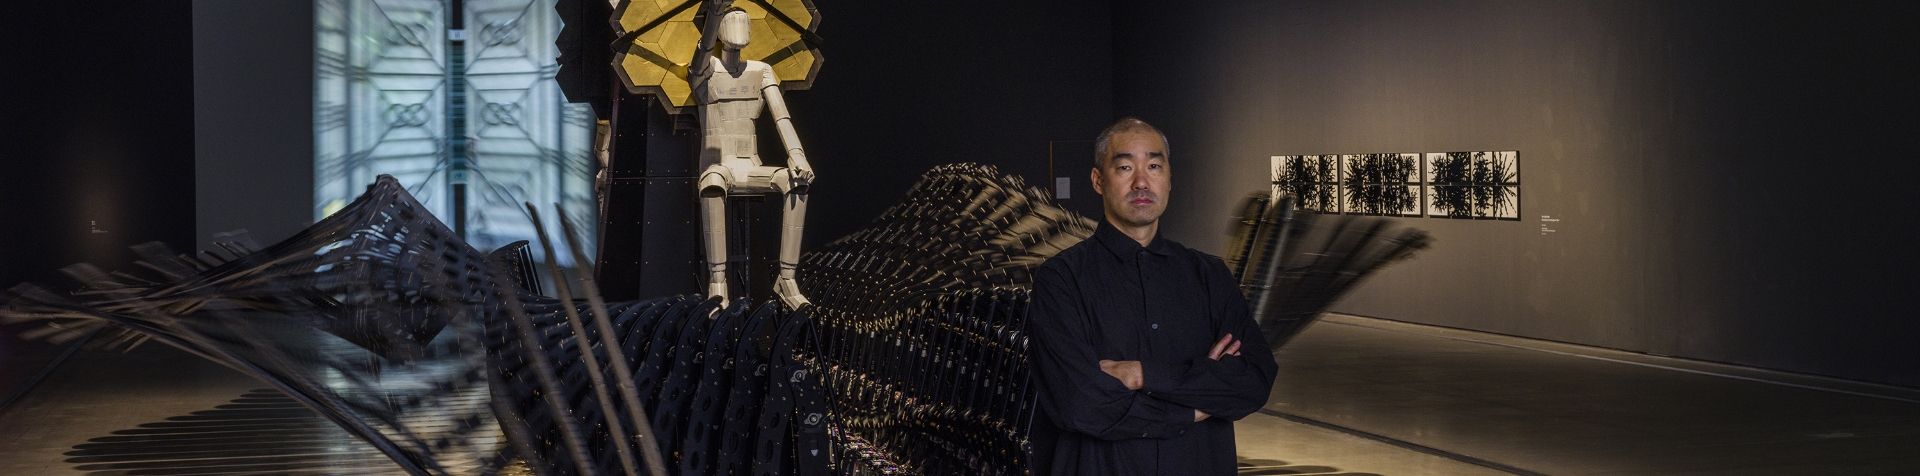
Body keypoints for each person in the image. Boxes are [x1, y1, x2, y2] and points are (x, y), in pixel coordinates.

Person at [1029, 117, 1278, 475]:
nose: (1141, 182)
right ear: (1099, 180)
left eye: (1155, 166)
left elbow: (1253, 381)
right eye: (1126, 167)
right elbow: (1080, 403)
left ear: (1169, 179)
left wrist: (1143, 374)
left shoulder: (1210, 276)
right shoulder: (1061, 280)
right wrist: (1195, 404)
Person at [690, 0, 814, 310]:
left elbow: (781, 117)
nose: (739, 27)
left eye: (743, 21)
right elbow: (702, 54)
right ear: (719, 29)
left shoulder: (761, 71)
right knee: (712, 184)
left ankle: (787, 278)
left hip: (750, 166)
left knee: (796, 183)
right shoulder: (706, 71)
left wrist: (797, 155)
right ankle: (717, 281)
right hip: (719, 166)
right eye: (731, 21)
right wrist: (716, 11)